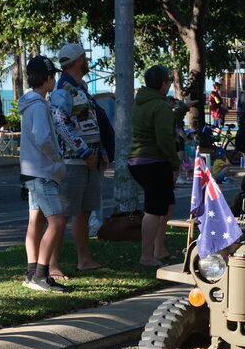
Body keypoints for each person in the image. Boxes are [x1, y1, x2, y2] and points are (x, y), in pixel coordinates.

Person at [50, 42, 115, 274]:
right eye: (85, 58)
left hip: (92, 161)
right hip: (73, 163)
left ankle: (84, 259)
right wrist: (84, 152)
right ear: (79, 60)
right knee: (63, 215)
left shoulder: (81, 89)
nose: (88, 61)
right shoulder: (62, 92)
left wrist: (103, 151)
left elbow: (92, 122)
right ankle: (52, 265)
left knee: (84, 211)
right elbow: (60, 124)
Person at [19, 55, 76, 293]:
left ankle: (32, 272)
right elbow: (43, 138)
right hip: (43, 172)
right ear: (48, 78)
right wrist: (57, 158)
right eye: (53, 76)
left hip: (31, 172)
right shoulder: (40, 106)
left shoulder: (28, 104)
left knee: (36, 221)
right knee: (58, 222)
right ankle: (41, 274)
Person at [129, 65, 194, 267]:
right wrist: (176, 164)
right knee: (154, 210)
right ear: (164, 84)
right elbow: (165, 138)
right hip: (153, 162)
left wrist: (182, 108)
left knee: (167, 204)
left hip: (139, 161)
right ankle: (147, 256)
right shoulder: (159, 105)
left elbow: (165, 121)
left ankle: (159, 249)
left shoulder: (143, 102)